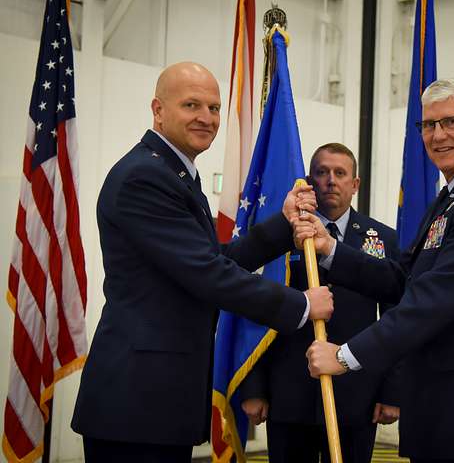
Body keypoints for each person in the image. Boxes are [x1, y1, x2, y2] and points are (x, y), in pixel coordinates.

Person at [70, 62, 333, 462]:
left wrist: (283, 225)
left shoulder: (175, 173)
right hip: (137, 402)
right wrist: (299, 305)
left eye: (213, 108)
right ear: (158, 110)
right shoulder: (145, 177)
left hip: (157, 398)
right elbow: (208, 274)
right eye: (191, 105)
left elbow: (212, 260)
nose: (206, 118)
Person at [302, 78, 454, 463]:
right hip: (439, 403)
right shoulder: (452, 196)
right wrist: (331, 250)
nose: (438, 135)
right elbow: (402, 280)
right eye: (428, 125)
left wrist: (345, 356)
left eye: (451, 122)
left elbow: (433, 301)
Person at [239, 143, 401, 463]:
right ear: (310, 183)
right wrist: (254, 386)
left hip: (356, 394)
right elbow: (255, 308)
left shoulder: (382, 239)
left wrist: (391, 391)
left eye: (340, 173)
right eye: (322, 172)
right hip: (288, 392)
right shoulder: (284, 236)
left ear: (355, 184)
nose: (331, 180)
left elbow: (396, 317)